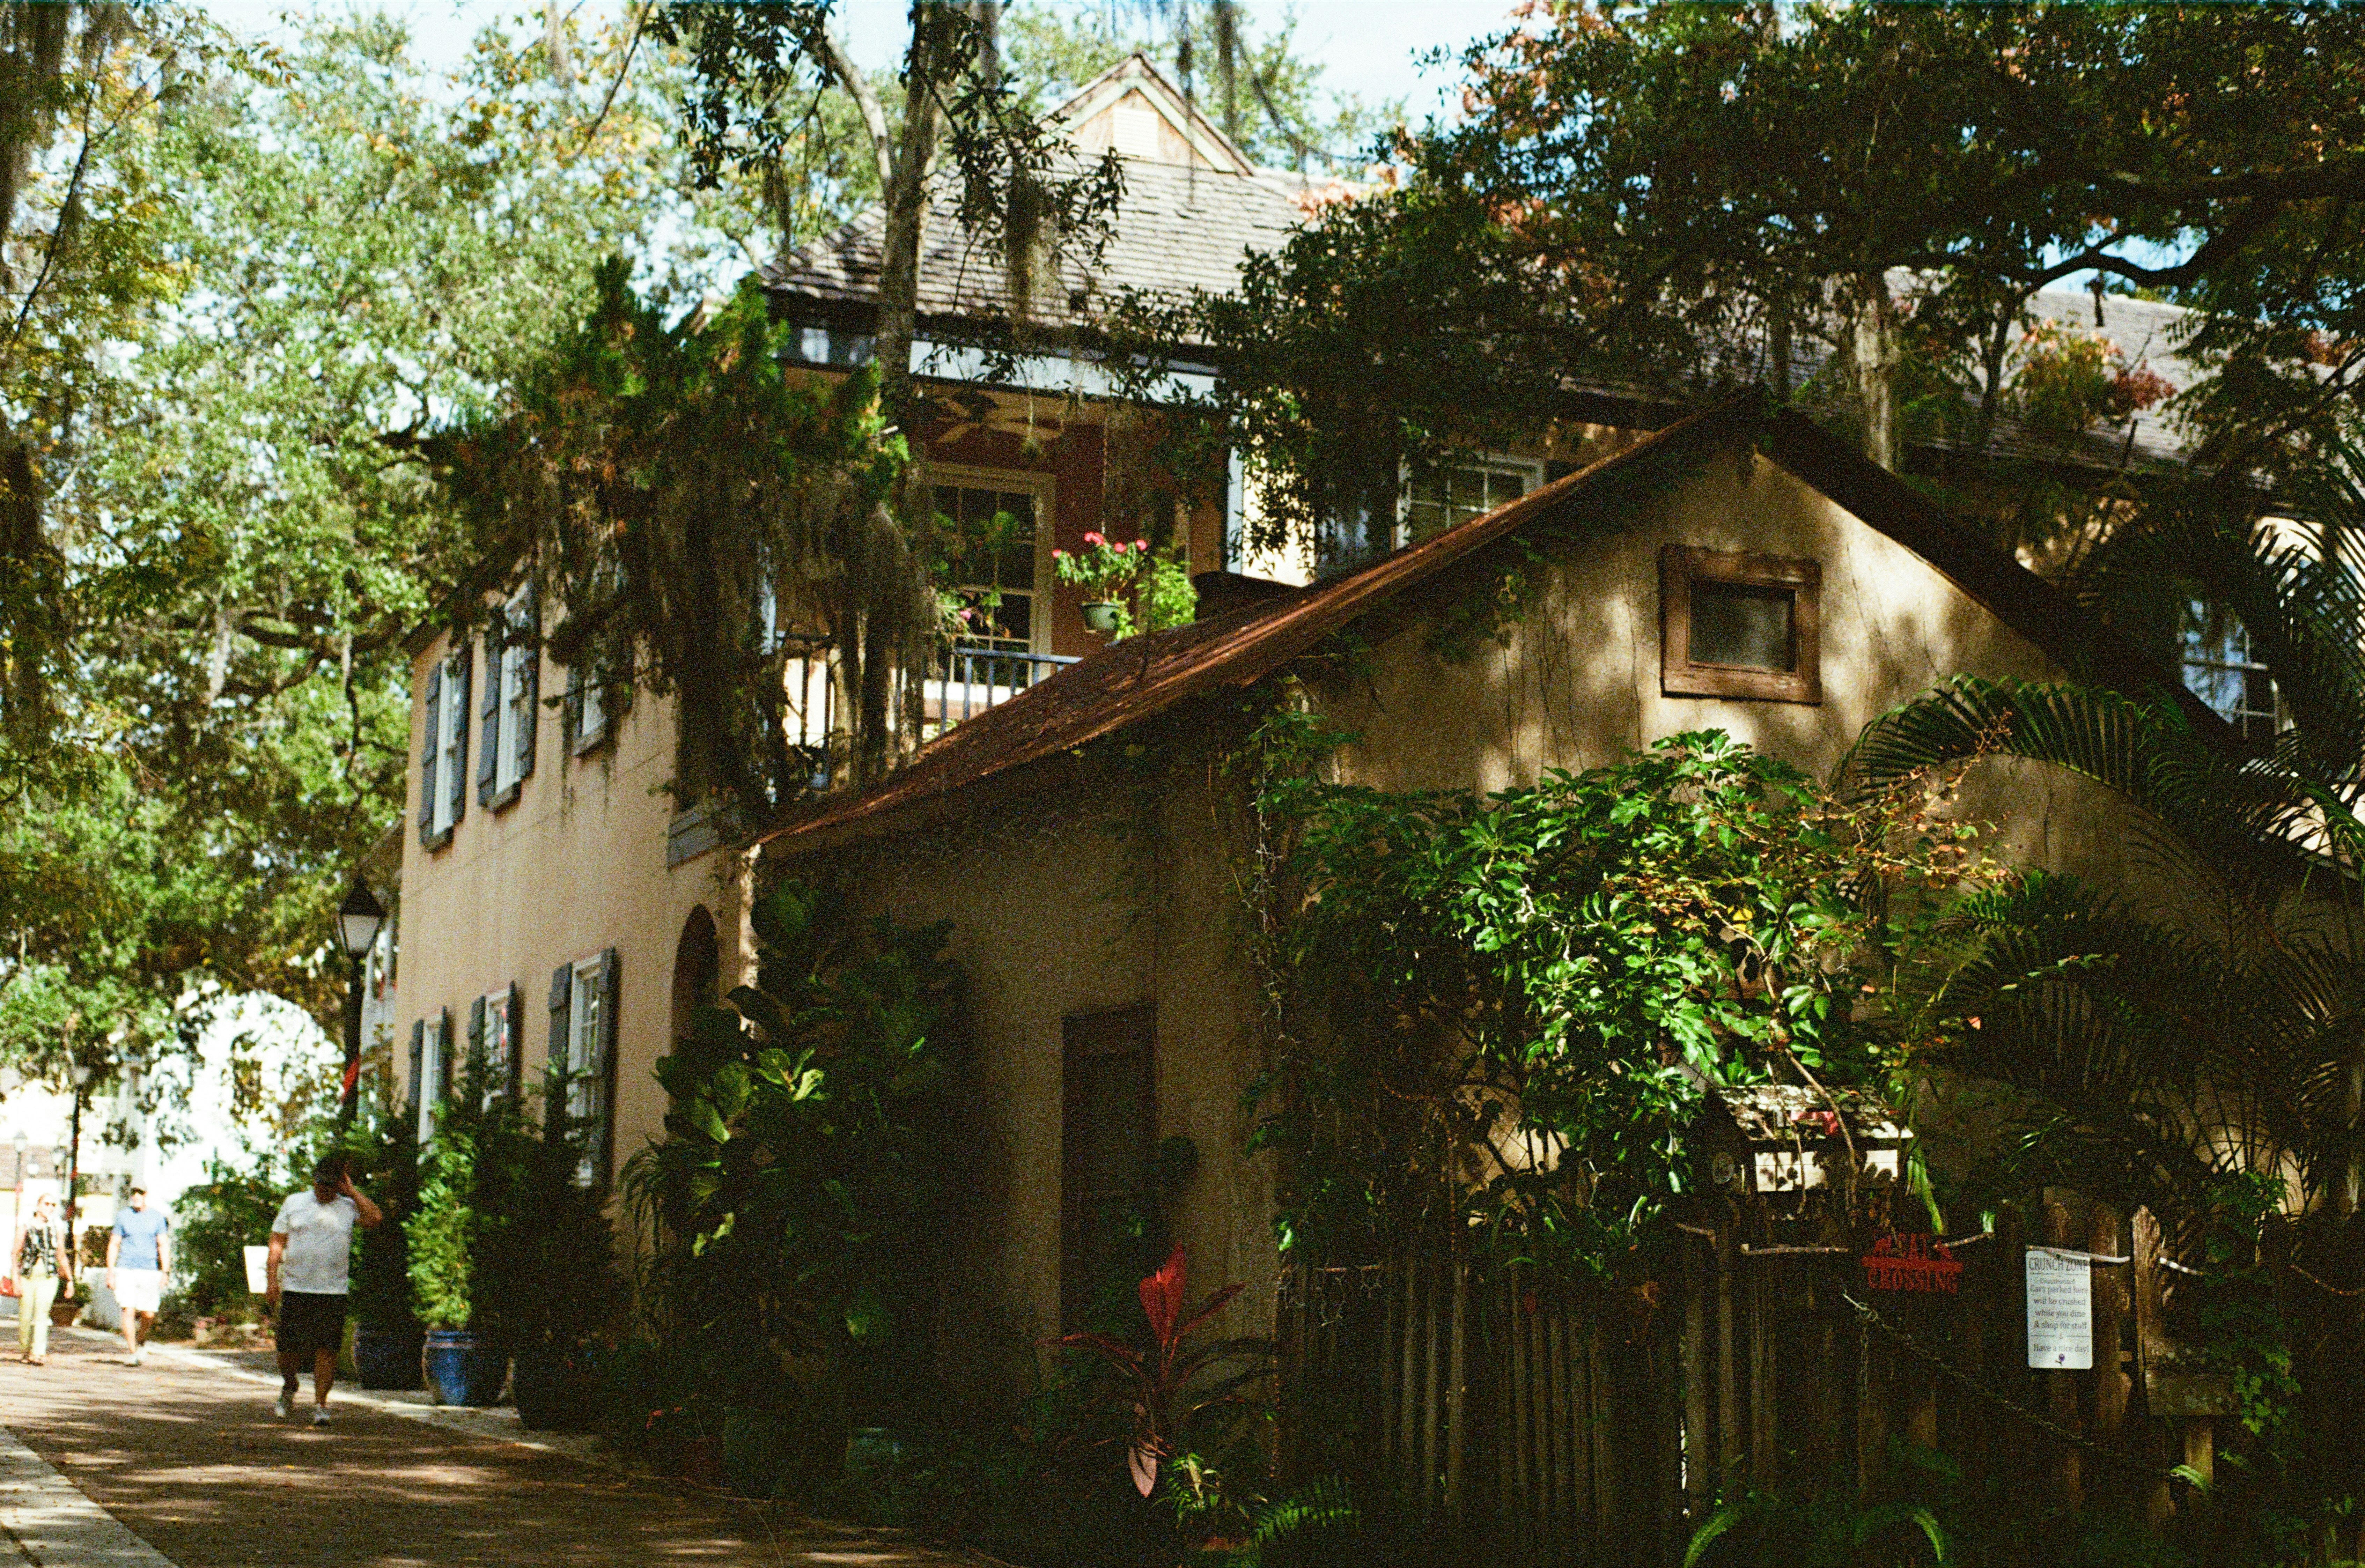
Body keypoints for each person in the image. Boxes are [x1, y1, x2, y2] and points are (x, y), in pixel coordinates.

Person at [265, 1153, 381, 1426]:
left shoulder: (349, 1207)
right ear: (313, 1180)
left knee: (326, 1350)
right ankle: (289, 1386)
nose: (324, 1189)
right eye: (321, 1183)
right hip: (296, 1288)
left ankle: (321, 1404)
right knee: (288, 1351)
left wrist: (352, 1191)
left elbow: (375, 1218)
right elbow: (277, 1243)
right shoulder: (294, 1203)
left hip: (333, 1291)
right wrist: (272, 1280)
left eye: (331, 1185)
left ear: (339, 1184)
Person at [107, 1186, 171, 1366]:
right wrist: (111, 1272)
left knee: (149, 1313)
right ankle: (133, 1351)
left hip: (149, 1270)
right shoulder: (123, 1216)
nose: (136, 1197)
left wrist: (165, 1271)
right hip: (126, 1268)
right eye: (133, 1194)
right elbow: (114, 1244)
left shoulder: (157, 1218)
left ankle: (141, 1339)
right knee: (128, 1309)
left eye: (140, 1194)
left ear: (146, 1196)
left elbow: (163, 1245)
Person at [10, 1194, 73, 1366]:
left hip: (48, 1276)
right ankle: (25, 1350)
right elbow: (15, 1254)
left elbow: (61, 1254)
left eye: (53, 1205)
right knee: (25, 1315)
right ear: (38, 1206)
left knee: (42, 1314)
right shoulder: (25, 1226)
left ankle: (38, 1353)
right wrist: (15, 1279)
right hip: (28, 1276)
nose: (50, 1208)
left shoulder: (56, 1228)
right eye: (47, 1204)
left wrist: (70, 1279)